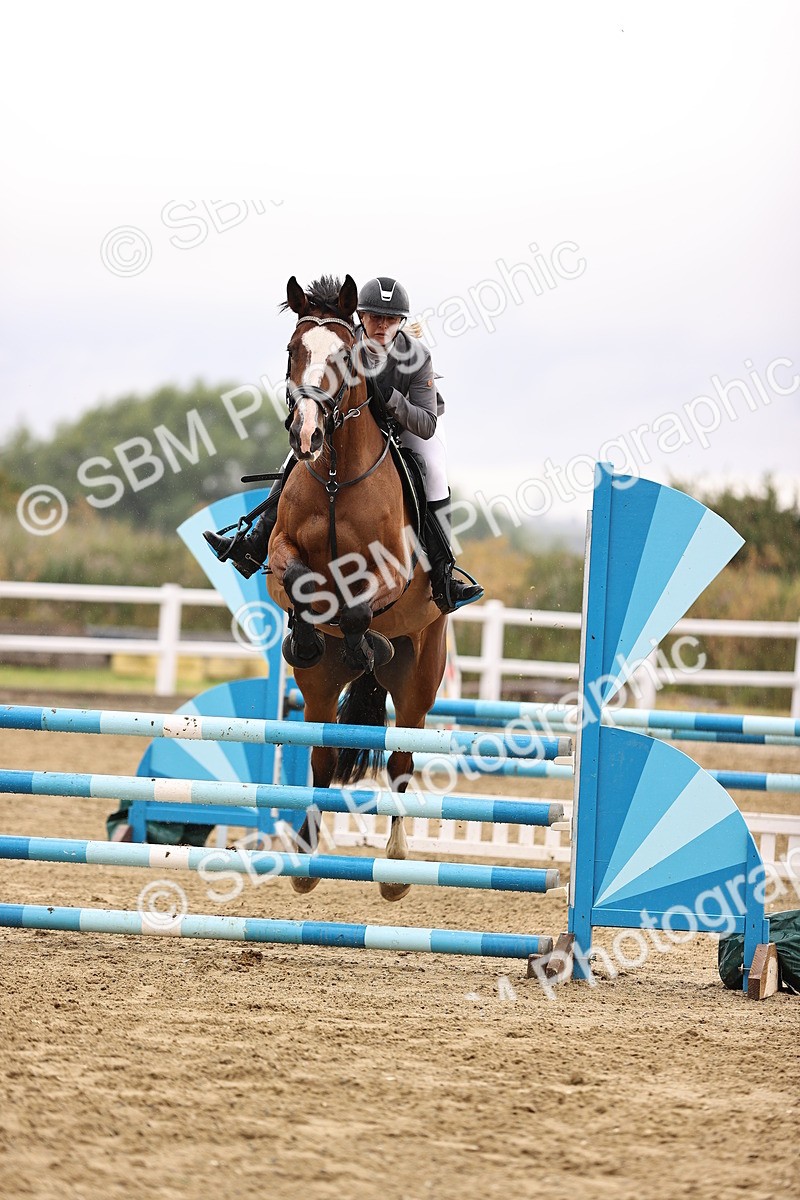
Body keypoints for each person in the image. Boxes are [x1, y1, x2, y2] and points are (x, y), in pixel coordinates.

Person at [204, 276, 484, 612]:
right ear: (360, 318)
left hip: (407, 427)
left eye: (391, 319)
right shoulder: (342, 343)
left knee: (435, 468)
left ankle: (443, 573)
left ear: (400, 323)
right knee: (295, 456)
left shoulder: (416, 355)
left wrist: (389, 398)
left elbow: (425, 424)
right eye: (375, 317)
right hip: (355, 428)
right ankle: (251, 545)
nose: (382, 325)